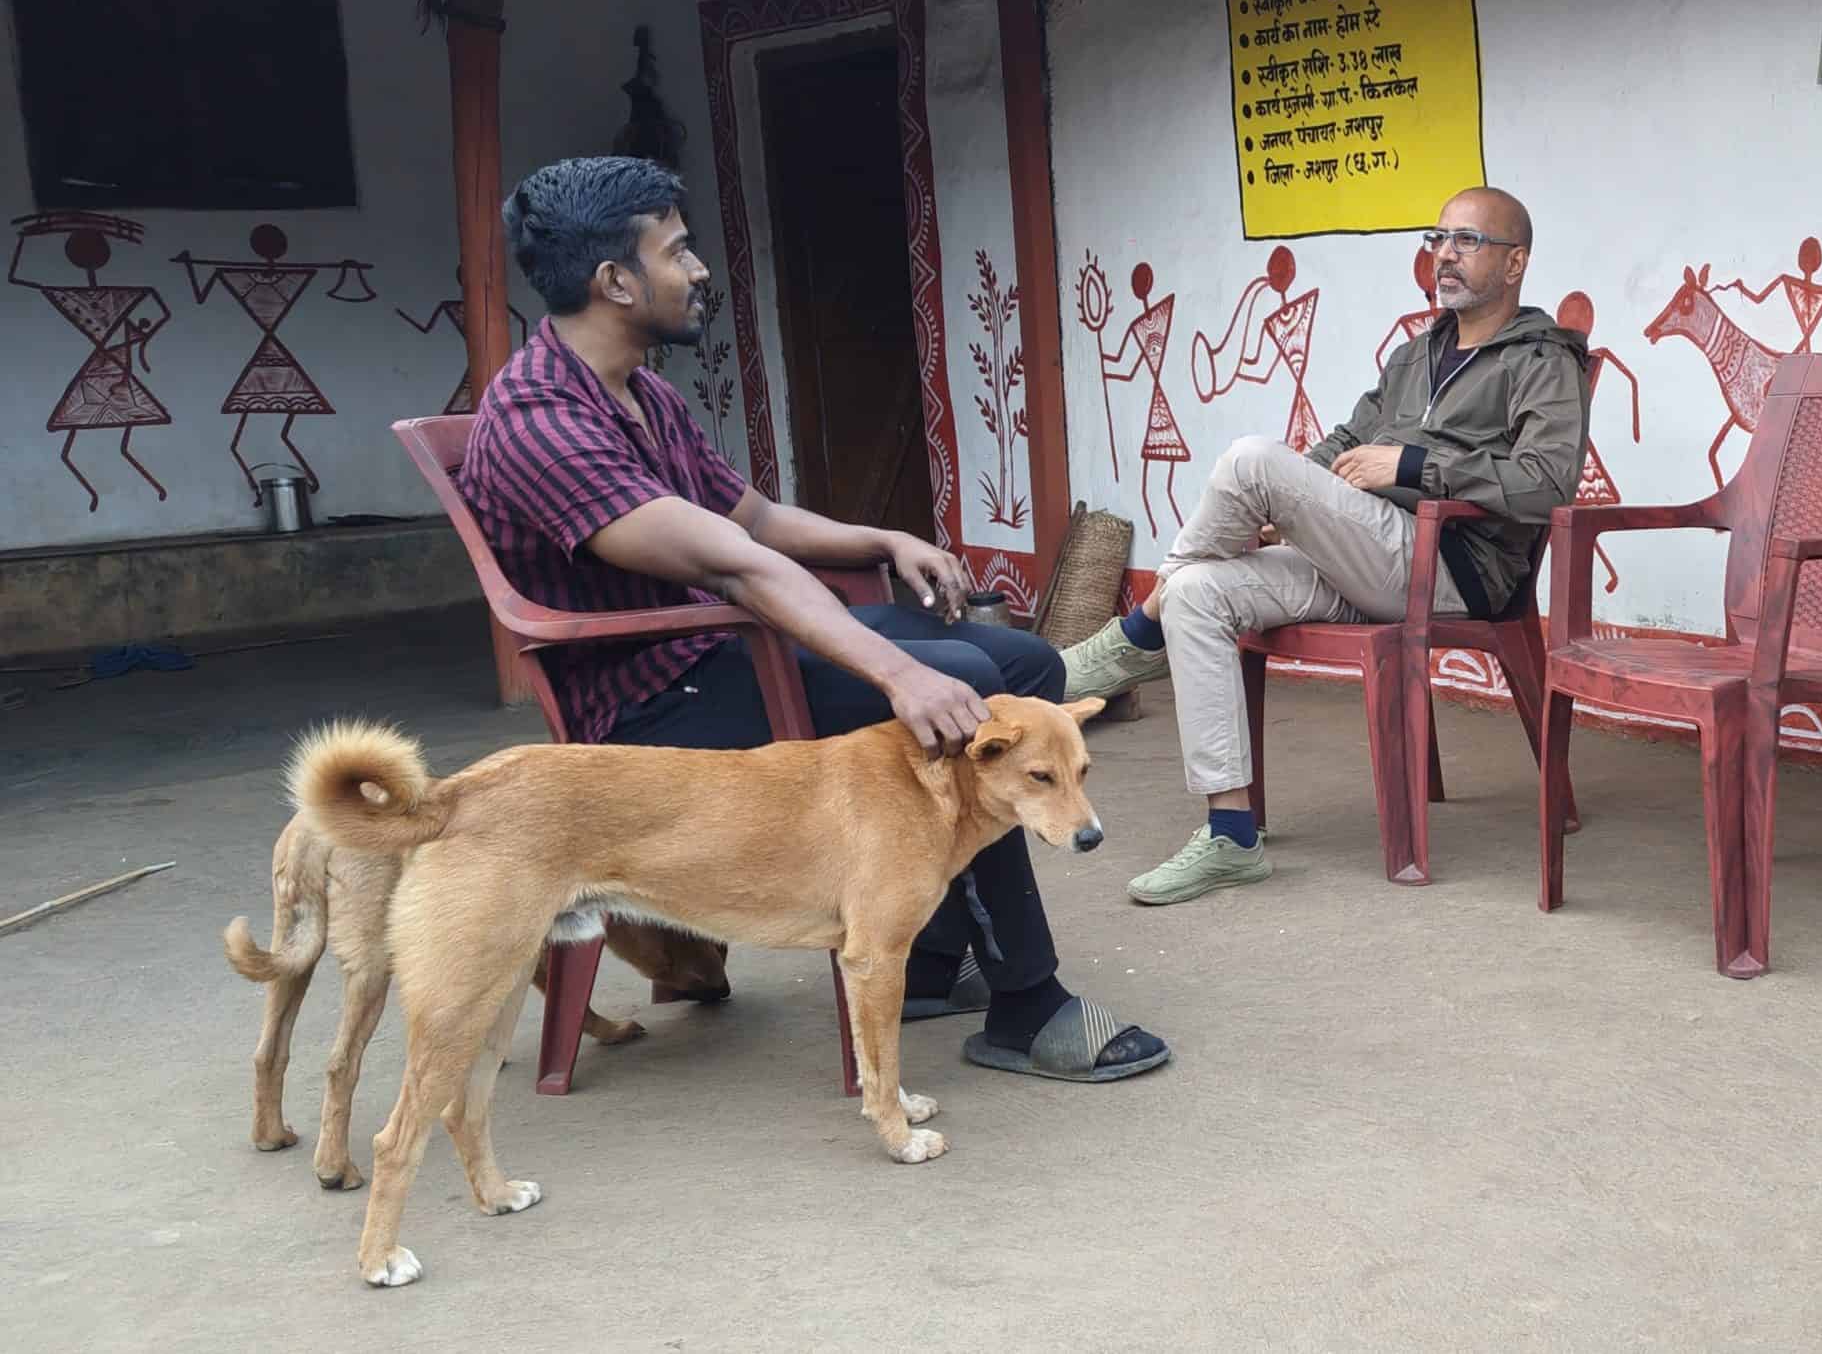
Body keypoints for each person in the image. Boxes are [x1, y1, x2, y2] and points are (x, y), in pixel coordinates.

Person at [456, 156, 1166, 1084]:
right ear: (615, 282)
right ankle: (1027, 1005)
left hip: (721, 650)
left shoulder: (640, 390)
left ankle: (928, 954)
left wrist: (884, 537)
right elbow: (734, 562)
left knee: (1023, 667)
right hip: (652, 702)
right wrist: (898, 672)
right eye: (678, 251)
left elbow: (751, 518)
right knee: (967, 690)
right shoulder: (541, 422)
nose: (698, 269)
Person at [1062, 187, 1588, 904]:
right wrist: (1291, 501)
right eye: (1437, 238)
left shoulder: (1543, 360)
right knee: (1196, 592)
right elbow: (1346, 439)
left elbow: (1548, 484)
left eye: (1467, 241)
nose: (1444, 255)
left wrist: (1413, 466)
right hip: (1368, 556)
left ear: (1515, 262)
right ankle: (1231, 836)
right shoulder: (1416, 354)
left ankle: (1134, 635)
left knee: (1250, 459)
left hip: (1454, 568)